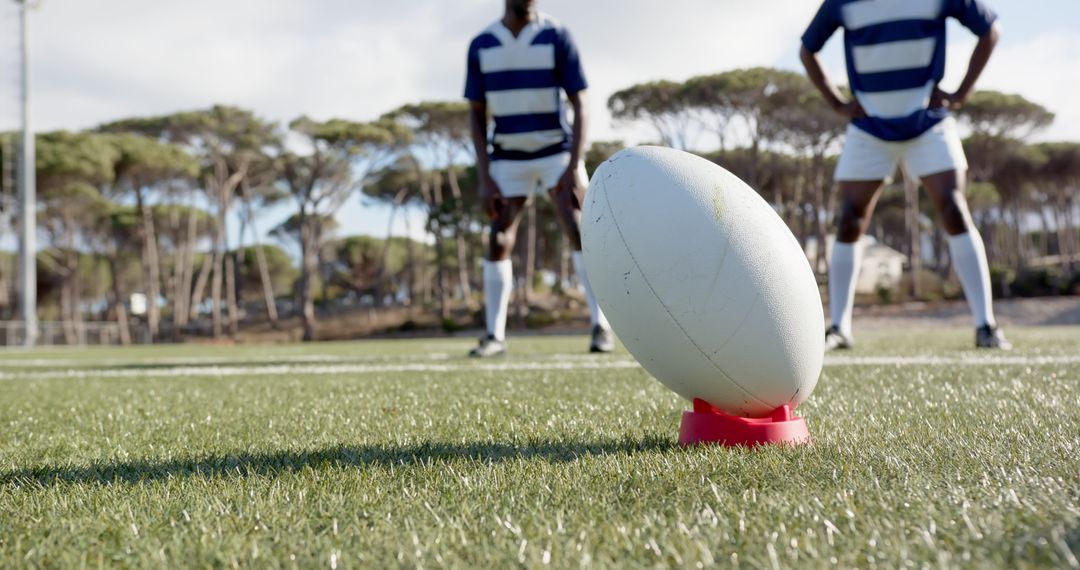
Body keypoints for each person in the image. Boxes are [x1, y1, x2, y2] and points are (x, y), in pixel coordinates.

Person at [799, 0, 1011, 350]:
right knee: (850, 218)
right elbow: (808, 49)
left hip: (928, 124)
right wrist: (837, 103)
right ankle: (839, 327)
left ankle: (985, 325)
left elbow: (990, 30)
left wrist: (962, 93)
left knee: (954, 209)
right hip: (868, 127)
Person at [464, 0, 614, 357]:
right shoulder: (482, 44)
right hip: (507, 155)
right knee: (498, 236)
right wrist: (485, 177)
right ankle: (494, 336)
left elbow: (581, 103)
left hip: (556, 151)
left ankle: (601, 327)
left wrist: (574, 166)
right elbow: (476, 113)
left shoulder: (557, 35)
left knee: (578, 226)